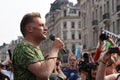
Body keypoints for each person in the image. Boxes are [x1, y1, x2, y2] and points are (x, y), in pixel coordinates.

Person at [13, 12, 64, 80]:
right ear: (30, 28)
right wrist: (55, 49)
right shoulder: (23, 47)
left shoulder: (34, 48)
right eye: (41, 25)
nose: (46, 28)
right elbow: (44, 73)